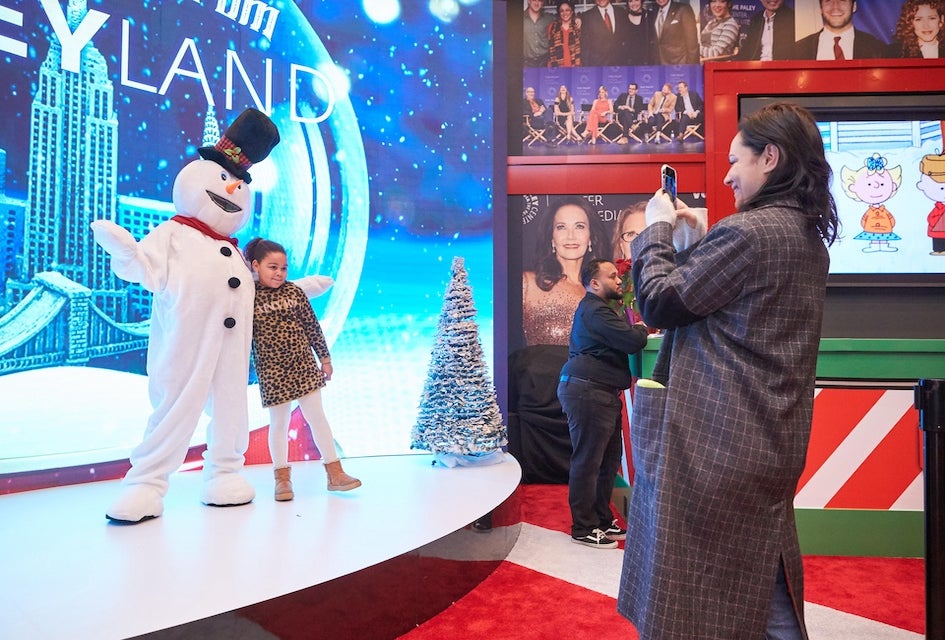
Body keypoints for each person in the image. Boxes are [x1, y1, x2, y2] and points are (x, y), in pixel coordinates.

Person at [617, 102, 840, 639]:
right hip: (765, 442)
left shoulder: (748, 234)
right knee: (760, 575)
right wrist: (701, 242)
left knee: (690, 599)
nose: (726, 175)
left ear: (770, 157)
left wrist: (656, 230)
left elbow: (659, 301)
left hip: (713, 446)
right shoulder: (805, 238)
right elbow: (731, 309)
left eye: (735, 160)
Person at [244, 237, 361, 499]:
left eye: (283, 268)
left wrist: (325, 359)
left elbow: (312, 327)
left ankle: (335, 473)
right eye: (272, 267)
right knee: (279, 424)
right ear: (256, 265)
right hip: (273, 372)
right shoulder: (248, 297)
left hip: (304, 366)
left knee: (317, 418)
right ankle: (282, 480)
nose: (279, 273)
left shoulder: (294, 292)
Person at [558, 258, 649, 548]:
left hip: (598, 392)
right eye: (612, 276)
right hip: (588, 391)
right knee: (588, 460)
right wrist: (642, 328)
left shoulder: (599, 310)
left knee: (607, 462)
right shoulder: (595, 310)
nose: (619, 280)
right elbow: (632, 341)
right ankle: (583, 527)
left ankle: (600, 519)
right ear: (594, 283)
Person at [522, 196, 610, 346]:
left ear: (591, 237)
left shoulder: (604, 292)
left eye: (579, 226)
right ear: (552, 237)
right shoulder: (528, 284)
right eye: (561, 227)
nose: (570, 236)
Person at [795, 0, 891, 60]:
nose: (835, 7)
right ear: (820, 8)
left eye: (842, 0)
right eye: (828, 1)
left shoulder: (878, 50)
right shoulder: (798, 50)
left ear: (854, 6)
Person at [580, 0, 631, 66]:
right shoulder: (587, 16)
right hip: (598, 65)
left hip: (620, 64)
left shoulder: (621, 12)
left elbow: (628, 38)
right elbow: (585, 45)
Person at [650, 0, 700, 65]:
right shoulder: (654, 11)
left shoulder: (683, 9)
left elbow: (692, 43)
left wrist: (691, 67)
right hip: (659, 64)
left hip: (680, 64)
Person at [547, 0, 582, 66]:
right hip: (558, 67)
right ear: (559, 13)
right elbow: (550, 52)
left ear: (572, 12)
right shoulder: (552, 27)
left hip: (575, 67)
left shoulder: (578, 27)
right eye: (562, 11)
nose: (565, 13)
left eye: (567, 10)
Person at [524, 0, 554, 67]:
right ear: (528, 1)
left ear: (542, 3)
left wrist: (576, 19)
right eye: (534, 0)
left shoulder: (549, 18)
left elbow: (564, 18)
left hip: (545, 62)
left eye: (539, 0)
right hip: (527, 63)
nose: (537, 3)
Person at [626, 0, 655, 65]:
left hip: (648, 61)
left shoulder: (650, 16)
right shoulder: (623, 17)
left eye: (636, 0)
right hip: (629, 62)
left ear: (641, 1)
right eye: (630, 1)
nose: (634, 4)